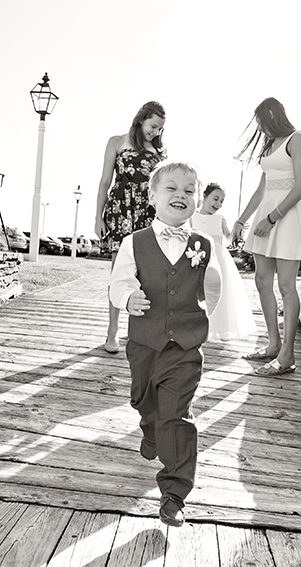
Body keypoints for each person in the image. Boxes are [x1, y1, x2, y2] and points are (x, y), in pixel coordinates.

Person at [109, 161, 221, 528]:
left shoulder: (204, 245)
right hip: (144, 342)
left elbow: (214, 288)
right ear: (152, 195)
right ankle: (148, 425)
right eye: (171, 188)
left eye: (189, 191)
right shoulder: (134, 242)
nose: (181, 195)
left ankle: (174, 493)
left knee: (177, 414)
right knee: (145, 398)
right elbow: (119, 283)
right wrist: (129, 299)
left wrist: (209, 315)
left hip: (186, 346)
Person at [232, 97, 301, 376]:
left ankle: (287, 355)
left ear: (271, 116)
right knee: (261, 280)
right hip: (265, 214)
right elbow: (260, 190)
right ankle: (272, 344)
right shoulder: (269, 145)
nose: (260, 130)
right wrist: (241, 221)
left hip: (287, 217)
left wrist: (271, 219)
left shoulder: (297, 139)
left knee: (287, 287)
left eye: (261, 123)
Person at [95, 101, 167, 354]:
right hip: (119, 212)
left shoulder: (160, 152)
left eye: (160, 129)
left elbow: (162, 190)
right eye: (153, 126)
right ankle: (112, 332)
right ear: (141, 120)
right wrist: (98, 217)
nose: (156, 132)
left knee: (145, 276)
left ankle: (135, 332)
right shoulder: (116, 142)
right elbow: (105, 181)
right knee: (118, 275)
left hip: (148, 216)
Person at [191, 183, 257, 341]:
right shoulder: (192, 217)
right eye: (215, 199)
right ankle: (196, 328)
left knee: (221, 294)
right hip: (197, 259)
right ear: (204, 197)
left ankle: (221, 330)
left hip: (219, 259)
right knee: (197, 292)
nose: (218, 204)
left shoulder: (220, 219)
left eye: (222, 201)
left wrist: (236, 230)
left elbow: (228, 239)